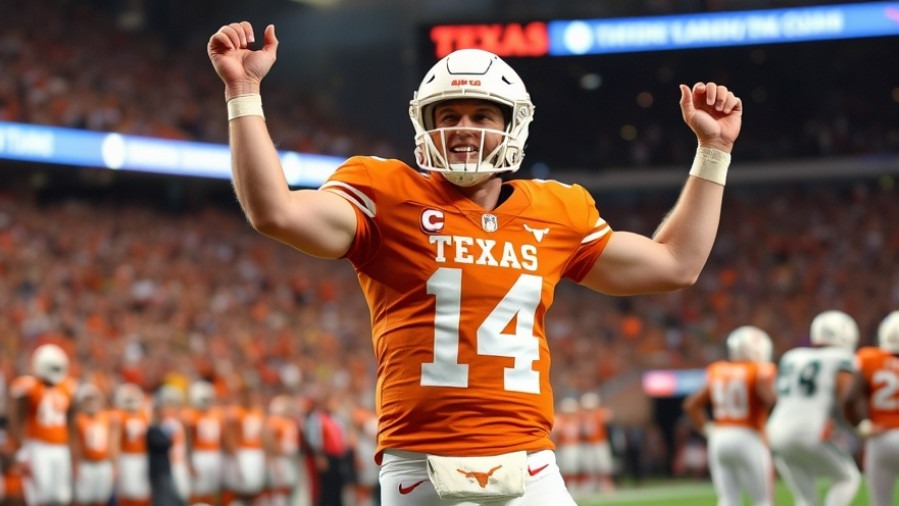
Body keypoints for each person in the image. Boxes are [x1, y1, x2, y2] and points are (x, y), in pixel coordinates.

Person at [207, 20, 742, 505]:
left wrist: (713, 151)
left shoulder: (558, 210)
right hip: (425, 463)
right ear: (425, 125)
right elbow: (274, 211)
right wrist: (244, 92)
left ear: (512, 125)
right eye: (450, 115)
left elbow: (675, 264)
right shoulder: (386, 192)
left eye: (481, 114)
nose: (464, 128)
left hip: (531, 462)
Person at [765, 310, 862, 506]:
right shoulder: (842, 357)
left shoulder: (792, 357)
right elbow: (846, 397)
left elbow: (776, 398)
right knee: (848, 479)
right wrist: (857, 426)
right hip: (809, 431)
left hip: (776, 433)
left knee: (805, 498)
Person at [682, 325, 777, 506]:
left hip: (719, 437)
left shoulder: (718, 370)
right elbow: (771, 400)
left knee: (728, 499)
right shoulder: (758, 370)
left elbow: (690, 405)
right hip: (748, 435)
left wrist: (709, 430)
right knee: (763, 500)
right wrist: (766, 425)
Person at [7, 343, 77, 506]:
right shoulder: (30, 385)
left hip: (60, 446)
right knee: (40, 495)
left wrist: (72, 449)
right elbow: (16, 416)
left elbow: (71, 419)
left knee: (62, 496)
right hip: (38, 445)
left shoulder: (66, 387)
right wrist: (21, 447)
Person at [842, 311, 899, 506]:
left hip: (880, 438)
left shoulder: (869, 358)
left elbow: (849, 399)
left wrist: (862, 425)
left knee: (880, 502)